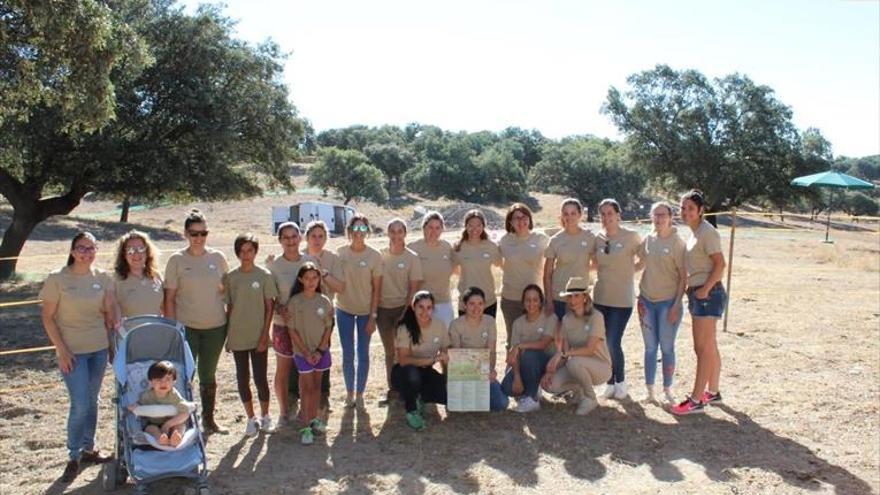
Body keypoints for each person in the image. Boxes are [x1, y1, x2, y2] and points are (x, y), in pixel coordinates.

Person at [40, 231, 114, 482]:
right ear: (72, 251)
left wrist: (112, 347)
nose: (86, 252)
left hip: (99, 349)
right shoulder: (57, 279)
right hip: (72, 352)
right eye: (82, 248)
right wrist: (61, 350)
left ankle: (89, 448)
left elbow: (107, 315)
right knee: (80, 402)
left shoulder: (103, 278)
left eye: (91, 248)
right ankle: (73, 455)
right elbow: (48, 318)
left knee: (93, 399)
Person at [164, 209, 229, 434]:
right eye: (194, 233)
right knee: (183, 375)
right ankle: (182, 420)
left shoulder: (218, 258)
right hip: (187, 327)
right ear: (185, 234)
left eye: (203, 233)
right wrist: (172, 329)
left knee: (208, 374)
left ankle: (209, 420)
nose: (199, 238)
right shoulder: (176, 260)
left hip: (215, 327)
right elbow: (169, 297)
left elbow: (227, 293)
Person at [671, 190, 728, 415]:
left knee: (702, 348)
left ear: (701, 210)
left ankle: (696, 400)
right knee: (709, 346)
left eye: (690, 209)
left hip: (708, 294)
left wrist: (704, 289)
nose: (686, 212)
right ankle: (713, 392)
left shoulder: (707, 232)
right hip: (699, 293)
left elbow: (720, 264)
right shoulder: (694, 233)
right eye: (683, 208)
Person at [224, 233, 278, 436]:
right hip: (238, 336)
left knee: (260, 378)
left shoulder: (264, 276)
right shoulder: (231, 277)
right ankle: (251, 418)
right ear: (237, 253)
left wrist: (265, 335)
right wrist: (228, 336)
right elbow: (229, 307)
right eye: (242, 251)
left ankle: (265, 416)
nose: (246, 255)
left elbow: (269, 307)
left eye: (250, 250)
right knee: (242, 378)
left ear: (256, 251)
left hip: (258, 336)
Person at [592, 198, 642, 400]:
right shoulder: (598, 238)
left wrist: (631, 272)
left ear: (618, 215)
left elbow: (645, 258)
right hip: (601, 298)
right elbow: (594, 263)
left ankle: (620, 381)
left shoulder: (631, 237)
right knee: (603, 343)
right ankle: (610, 382)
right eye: (602, 214)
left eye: (609, 213)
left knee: (614, 341)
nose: (606, 217)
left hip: (622, 300)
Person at [636, 202, 686, 404]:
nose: (658, 219)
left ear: (670, 217)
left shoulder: (677, 243)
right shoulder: (648, 240)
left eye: (662, 215)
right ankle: (649, 391)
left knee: (666, 348)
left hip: (668, 304)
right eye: (655, 215)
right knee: (649, 348)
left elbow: (684, 277)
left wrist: (676, 305)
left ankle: (667, 390)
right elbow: (639, 264)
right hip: (647, 301)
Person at [267, 222, 316, 424]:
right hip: (282, 325)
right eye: (285, 237)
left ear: (300, 238)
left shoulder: (310, 261)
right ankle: (283, 411)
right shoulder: (273, 266)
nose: (290, 241)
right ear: (279, 241)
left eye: (294, 236)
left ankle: (306, 409)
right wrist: (281, 310)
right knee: (283, 369)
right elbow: (271, 298)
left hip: (306, 326)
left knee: (306, 369)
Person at [542, 277, 612, 416]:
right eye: (570, 296)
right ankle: (579, 391)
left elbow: (590, 349)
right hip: (577, 365)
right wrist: (551, 371)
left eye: (576, 296)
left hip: (601, 367)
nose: (572, 300)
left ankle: (590, 398)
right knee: (550, 385)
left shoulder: (596, 317)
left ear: (585, 297)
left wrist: (563, 354)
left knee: (574, 362)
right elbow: (564, 351)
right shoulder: (566, 320)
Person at [334, 214, 382, 410]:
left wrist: (373, 317)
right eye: (356, 228)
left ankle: (360, 394)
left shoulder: (374, 255)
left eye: (363, 229)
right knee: (347, 353)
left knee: (363, 353)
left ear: (367, 232)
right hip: (344, 309)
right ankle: (349, 393)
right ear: (350, 231)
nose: (359, 233)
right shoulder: (340, 252)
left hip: (365, 312)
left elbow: (377, 289)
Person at [285, 262, 334, 445]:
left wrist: (320, 350)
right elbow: (292, 331)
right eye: (307, 278)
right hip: (302, 354)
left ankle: (314, 421)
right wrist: (306, 352)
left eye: (315, 277)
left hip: (320, 353)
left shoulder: (324, 301)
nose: (311, 281)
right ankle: (306, 427)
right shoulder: (295, 302)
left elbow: (328, 327)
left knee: (317, 388)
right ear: (300, 280)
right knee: (306, 390)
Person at [377, 218, 423, 403]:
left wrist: (406, 311)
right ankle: (393, 387)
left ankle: (409, 387)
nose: (396, 235)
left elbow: (414, 288)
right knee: (390, 351)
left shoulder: (412, 257)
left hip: (403, 309)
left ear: (405, 233)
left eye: (400, 231)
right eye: (392, 231)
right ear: (388, 233)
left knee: (405, 351)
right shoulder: (380, 256)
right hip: (383, 311)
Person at [392, 291, 450, 431]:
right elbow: (404, 360)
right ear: (413, 307)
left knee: (448, 395)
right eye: (421, 307)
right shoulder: (404, 327)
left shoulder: (439, 325)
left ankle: (421, 397)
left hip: (426, 371)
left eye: (429, 307)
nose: (425, 311)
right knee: (413, 376)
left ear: (433, 309)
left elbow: (446, 348)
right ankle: (411, 410)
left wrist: (448, 357)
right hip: (403, 372)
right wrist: (432, 359)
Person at [302, 220, 342, 409]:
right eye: (313, 236)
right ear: (307, 238)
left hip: (325, 315)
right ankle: (300, 395)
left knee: (323, 351)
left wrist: (323, 273)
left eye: (321, 236)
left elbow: (340, 287)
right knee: (302, 353)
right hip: (302, 314)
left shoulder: (332, 258)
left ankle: (323, 394)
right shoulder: (299, 257)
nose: (317, 240)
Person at [448, 287, 508, 411]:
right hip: (463, 371)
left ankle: (477, 396)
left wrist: (490, 369)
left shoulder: (490, 322)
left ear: (484, 305)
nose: (476, 308)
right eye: (472, 304)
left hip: (484, 370)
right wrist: (481, 361)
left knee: (501, 403)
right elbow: (457, 357)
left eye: (480, 304)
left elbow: (491, 352)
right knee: (459, 406)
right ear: (464, 305)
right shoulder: (455, 325)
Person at [499, 204, 550, 348]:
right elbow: (496, 261)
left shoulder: (541, 239)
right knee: (513, 339)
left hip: (535, 300)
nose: (521, 221)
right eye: (516, 218)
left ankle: (533, 368)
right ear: (510, 222)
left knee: (536, 339)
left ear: (530, 219)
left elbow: (552, 266)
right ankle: (513, 369)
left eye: (524, 217)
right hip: (511, 299)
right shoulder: (504, 241)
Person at [500, 284, 557, 413]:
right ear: (523, 302)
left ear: (541, 302)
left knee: (530, 354)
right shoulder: (518, 323)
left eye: (535, 300)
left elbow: (543, 343)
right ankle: (532, 389)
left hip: (547, 364)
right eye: (528, 300)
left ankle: (531, 399)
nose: (531, 304)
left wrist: (521, 346)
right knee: (507, 388)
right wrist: (517, 376)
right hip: (526, 364)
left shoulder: (550, 318)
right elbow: (514, 354)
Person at [544, 198, 596, 320]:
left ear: (580, 215)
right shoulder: (555, 240)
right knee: (560, 337)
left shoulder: (590, 237)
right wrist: (549, 300)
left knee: (579, 337)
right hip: (559, 298)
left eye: (573, 213)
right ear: (562, 216)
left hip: (581, 298)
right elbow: (547, 275)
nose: (569, 217)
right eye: (566, 213)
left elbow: (598, 262)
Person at [127, 361, 192, 447]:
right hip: (153, 423)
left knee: (180, 425)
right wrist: (135, 407)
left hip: (172, 423)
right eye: (159, 380)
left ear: (174, 382)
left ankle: (176, 438)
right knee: (150, 429)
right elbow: (139, 406)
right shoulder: (146, 396)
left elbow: (185, 413)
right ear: (151, 382)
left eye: (168, 379)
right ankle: (161, 438)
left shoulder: (174, 395)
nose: (163, 383)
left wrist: (168, 424)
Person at [452, 209, 501, 317]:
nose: (474, 229)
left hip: (488, 302)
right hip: (466, 303)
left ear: (483, 226)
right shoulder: (458, 248)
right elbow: (454, 270)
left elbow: (500, 264)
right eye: (470, 225)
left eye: (478, 225)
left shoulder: (491, 246)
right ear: (465, 226)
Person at [409, 211, 455, 327]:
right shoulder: (413, 248)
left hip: (444, 303)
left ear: (442, 229)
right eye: (430, 227)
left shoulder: (447, 247)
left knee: (445, 341)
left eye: (437, 228)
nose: (433, 231)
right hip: (421, 305)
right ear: (423, 228)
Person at [112, 230, 164, 320]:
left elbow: (165, 307)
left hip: (156, 331)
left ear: (147, 252)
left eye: (141, 249)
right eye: (130, 250)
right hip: (129, 332)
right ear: (123, 254)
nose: (136, 254)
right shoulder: (115, 280)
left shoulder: (156, 275)